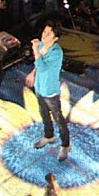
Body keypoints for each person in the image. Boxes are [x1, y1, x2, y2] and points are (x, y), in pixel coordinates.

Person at [27, 24, 68, 161]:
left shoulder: (56, 52)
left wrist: (35, 50)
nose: (44, 35)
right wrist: (32, 73)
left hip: (50, 91)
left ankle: (65, 145)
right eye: (44, 31)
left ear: (55, 38)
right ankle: (48, 136)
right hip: (39, 87)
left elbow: (43, 66)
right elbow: (38, 65)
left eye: (49, 33)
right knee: (43, 113)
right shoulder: (40, 46)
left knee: (58, 119)